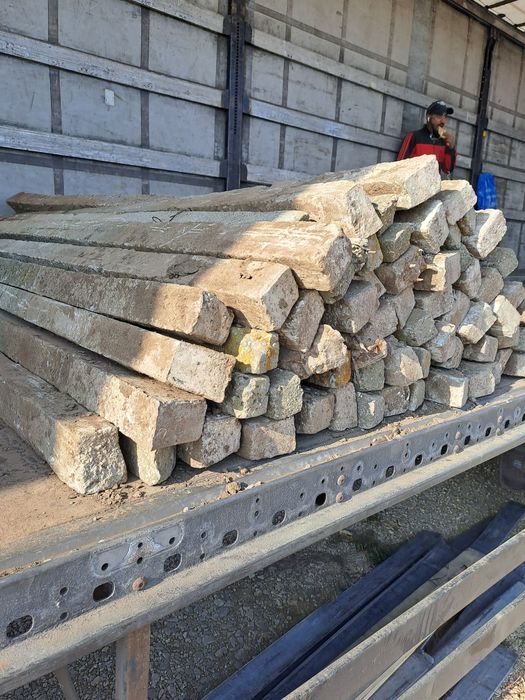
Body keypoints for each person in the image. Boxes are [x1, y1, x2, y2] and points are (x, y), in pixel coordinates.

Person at [397, 100, 457, 177]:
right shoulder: (413, 137)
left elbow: (448, 169)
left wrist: (451, 148)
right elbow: (399, 166)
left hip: (434, 184)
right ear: (428, 117)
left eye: (445, 117)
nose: (443, 121)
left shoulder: (444, 142)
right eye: (439, 116)